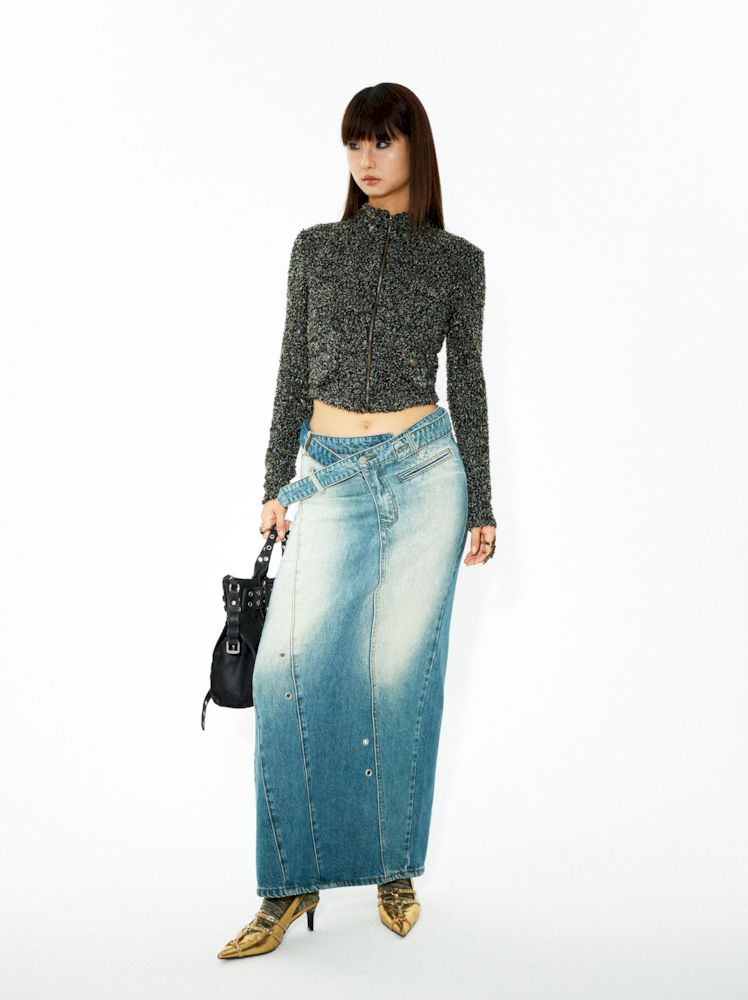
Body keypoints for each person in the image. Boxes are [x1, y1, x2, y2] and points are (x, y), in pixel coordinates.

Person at [218, 81, 497, 959]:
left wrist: (484, 501)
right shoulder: (316, 249)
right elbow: (290, 368)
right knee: (287, 678)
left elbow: (468, 383)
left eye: (382, 140)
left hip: (425, 477)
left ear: (415, 146)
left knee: (399, 680)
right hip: (330, 477)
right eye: (354, 143)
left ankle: (392, 865)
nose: (365, 158)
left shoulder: (457, 261)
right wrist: (276, 480)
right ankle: (287, 883)